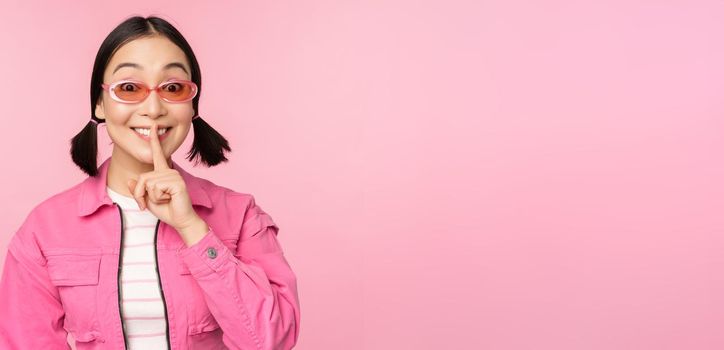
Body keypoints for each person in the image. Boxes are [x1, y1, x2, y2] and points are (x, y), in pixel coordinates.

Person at [0, 15, 300, 350]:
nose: (153, 107)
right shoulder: (45, 229)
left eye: (173, 88)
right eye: (129, 88)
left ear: (191, 105)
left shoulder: (241, 215)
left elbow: (271, 341)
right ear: (99, 103)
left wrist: (191, 227)